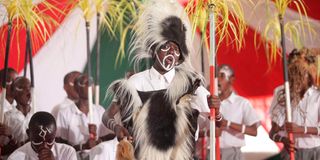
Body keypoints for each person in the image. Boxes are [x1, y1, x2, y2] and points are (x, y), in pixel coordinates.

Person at [102, 0, 211, 159]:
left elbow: (216, 121)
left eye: (176, 50)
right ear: (154, 50)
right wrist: (117, 128)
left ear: (180, 57)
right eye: (166, 47)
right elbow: (107, 116)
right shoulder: (135, 83)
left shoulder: (190, 85)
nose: (171, 54)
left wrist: (218, 111)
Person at [269, 48, 320, 160]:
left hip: (316, 153)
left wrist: (302, 129)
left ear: (309, 73)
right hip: (291, 153)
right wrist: (283, 140)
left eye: (300, 73)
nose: (295, 77)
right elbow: (272, 132)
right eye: (292, 73)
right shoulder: (282, 93)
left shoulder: (318, 95)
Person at [209, 64, 260, 160]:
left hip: (233, 153)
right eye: (216, 76)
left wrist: (227, 123)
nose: (218, 79)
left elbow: (254, 131)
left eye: (222, 76)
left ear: (231, 80)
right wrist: (208, 132)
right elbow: (197, 130)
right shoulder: (209, 103)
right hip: (212, 152)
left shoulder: (242, 103)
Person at [56, 75, 114, 159]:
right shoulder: (64, 113)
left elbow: (108, 138)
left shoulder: (100, 110)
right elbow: (60, 146)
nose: (90, 85)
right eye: (85, 83)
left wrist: (98, 140)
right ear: (77, 88)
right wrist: (83, 146)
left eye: (91, 82)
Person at [7, 111, 77, 160]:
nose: (44, 146)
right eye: (38, 141)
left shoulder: (67, 152)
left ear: (55, 134)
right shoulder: (16, 157)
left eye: (50, 140)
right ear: (29, 134)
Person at [0, 77, 33, 155]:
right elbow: (2, 151)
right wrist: (11, 137)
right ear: (13, 93)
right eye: (22, 88)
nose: (28, 92)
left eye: (29, 87)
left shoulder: (38, 114)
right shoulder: (6, 117)